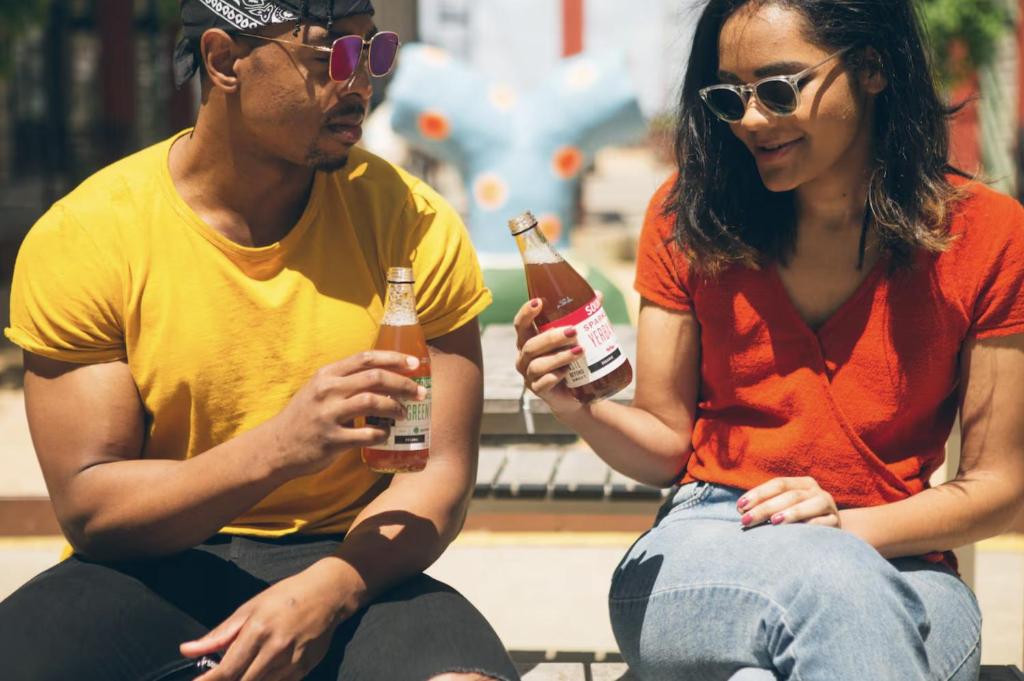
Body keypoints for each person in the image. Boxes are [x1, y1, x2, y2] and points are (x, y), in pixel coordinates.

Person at [0, 2, 519, 680]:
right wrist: (280, 447)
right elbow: (92, 507)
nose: (362, 82)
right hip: (150, 566)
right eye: (332, 53)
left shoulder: (410, 221)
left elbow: (439, 470)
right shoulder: (89, 236)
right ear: (224, 61)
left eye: (373, 50)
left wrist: (329, 591)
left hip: (354, 560)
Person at [514, 0, 1024, 679]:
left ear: (872, 68)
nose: (751, 120)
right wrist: (577, 405)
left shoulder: (988, 235)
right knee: (837, 591)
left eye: (779, 89)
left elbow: (998, 486)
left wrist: (844, 530)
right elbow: (665, 444)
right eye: (730, 98)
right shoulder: (688, 216)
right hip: (712, 540)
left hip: (899, 553)